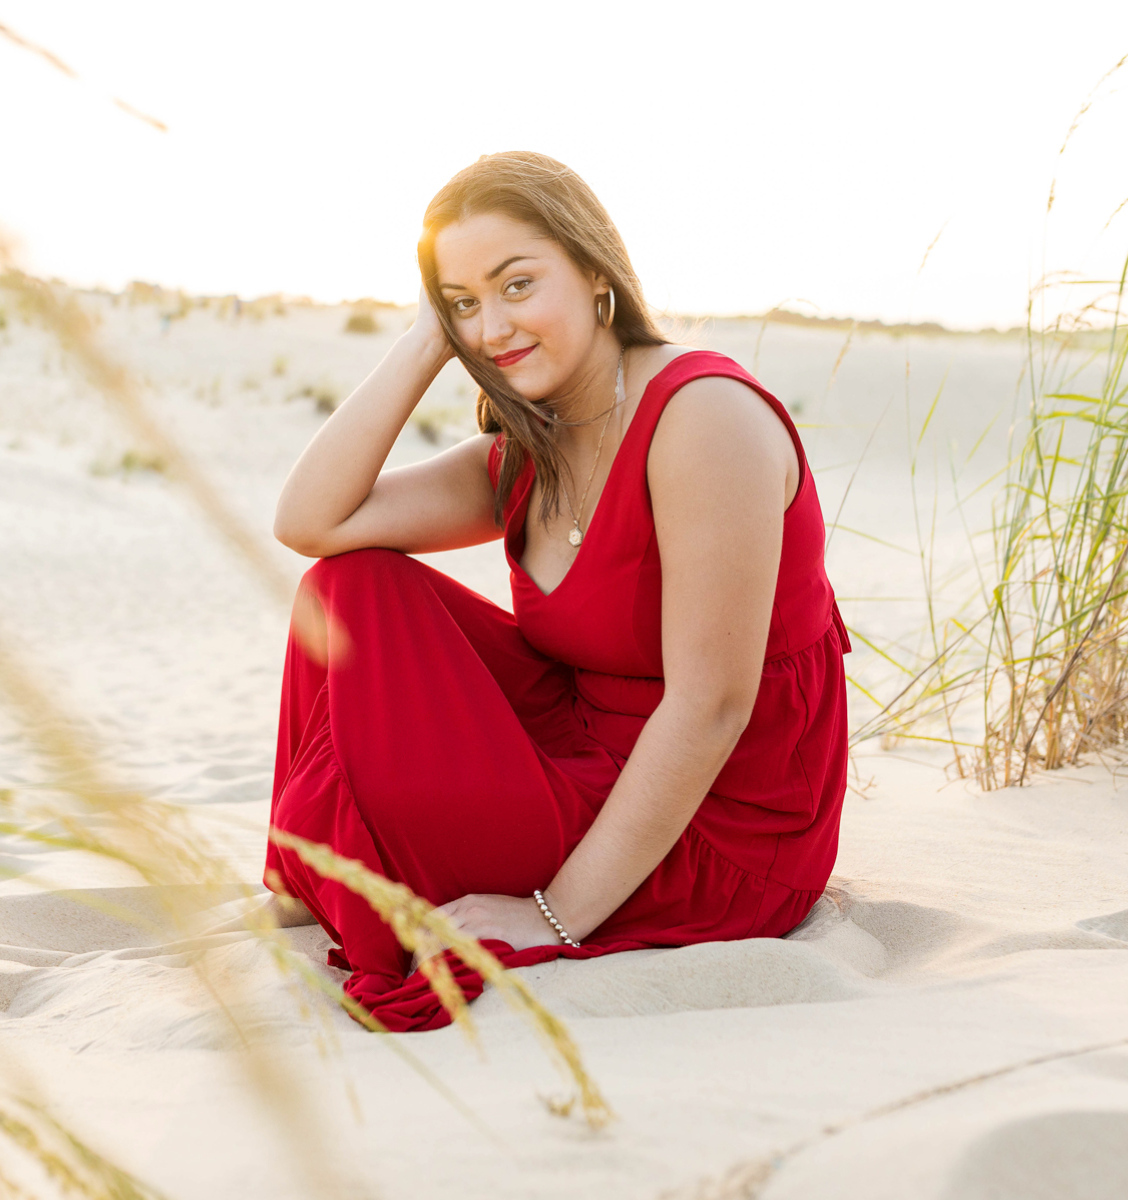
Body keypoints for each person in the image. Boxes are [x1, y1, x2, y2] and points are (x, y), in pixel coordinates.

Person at [263, 151, 850, 1032]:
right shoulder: (530, 446)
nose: (492, 327)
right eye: (464, 303)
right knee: (347, 588)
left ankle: (345, 866)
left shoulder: (704, 418)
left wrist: (551, 915)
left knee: (391, 790)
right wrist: (428, 339)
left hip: (719, 822)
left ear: (594, 269)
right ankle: (321, 867)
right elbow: (312, 522)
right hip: (582, 749)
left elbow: (714, 707)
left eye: (517, 284)